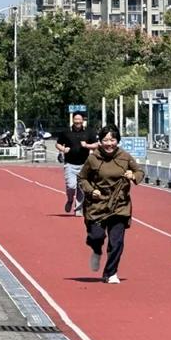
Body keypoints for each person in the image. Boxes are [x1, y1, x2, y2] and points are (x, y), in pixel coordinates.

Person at [77, 124, 144, 284]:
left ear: (117, 141)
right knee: (96, 236)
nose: (109, 144)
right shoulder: (93, 158)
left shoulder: (125, 157)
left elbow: (140, 172)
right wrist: (91, 190)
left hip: (119, 205)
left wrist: (133, 175)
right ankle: (95, 248)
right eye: (105, 140)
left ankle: (111, 272)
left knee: (117, 241)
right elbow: (82, 178)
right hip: (97, 205)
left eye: (112, 140)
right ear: (100, 141)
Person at [56, 112, 98, 216]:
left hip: (84, 164)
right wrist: (63, 149)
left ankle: (78, 209)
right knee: (71, 186)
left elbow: (97, 144)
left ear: (83, 120)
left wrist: (87, 145)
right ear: (73, 120)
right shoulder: (67, 132)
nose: (78, 122)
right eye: (76, 119)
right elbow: (58, 144)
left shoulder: (89, 132)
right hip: (70, 164)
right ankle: (70, 200)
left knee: (82, 188)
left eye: (80, 119)